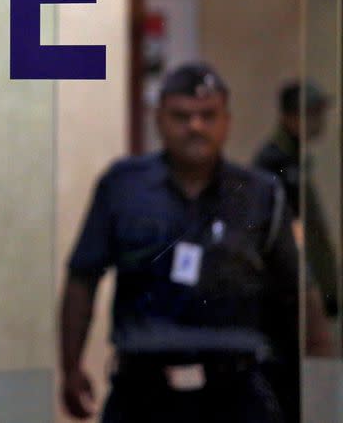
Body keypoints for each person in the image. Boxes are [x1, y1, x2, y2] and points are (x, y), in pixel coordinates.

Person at [59, 63, 327, 423]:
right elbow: (82, 278)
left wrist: (322, 378)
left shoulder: (259, 194)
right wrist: (70, 366)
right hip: (142, 397)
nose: (195, 127)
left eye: (208, 115)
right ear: (159, 120)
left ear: (226, 121)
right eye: (181, 116)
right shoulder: (123, 187)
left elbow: (298, 290)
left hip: (236, 397)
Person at [253, 81, 339, 319]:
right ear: (292, 117)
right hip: (293, 292)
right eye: (312, 114)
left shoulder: (293, 158)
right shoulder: (276, 164)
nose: (319, 122)